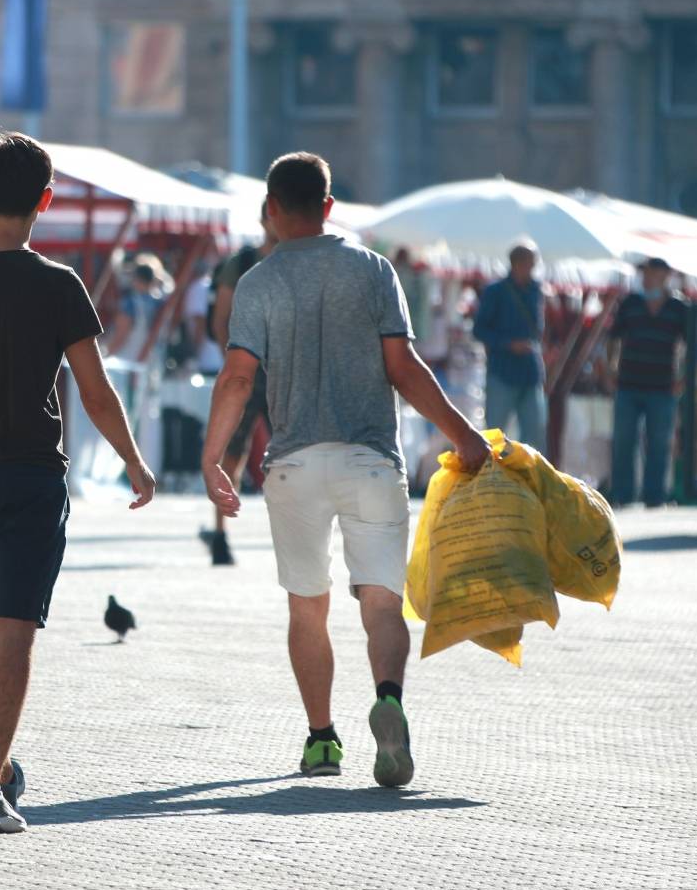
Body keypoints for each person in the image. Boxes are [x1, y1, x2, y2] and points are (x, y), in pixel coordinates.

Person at [202, 152, 490, 788]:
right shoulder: (373, 270)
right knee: (382, 602)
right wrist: (463, 435)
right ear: (329, 207)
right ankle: (388, 699)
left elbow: (239, 376)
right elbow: (405, 368)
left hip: (294, 464)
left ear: (272, 212)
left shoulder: (258, 282)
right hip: (370, 460)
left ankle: (322, 740)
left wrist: (211, 457)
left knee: (307, 608)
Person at [0, 132, 156, 834]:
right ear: (46, 200)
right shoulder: (58, 284)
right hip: (33, 477)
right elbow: (96, 392)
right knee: (16, 629)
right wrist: (134, 462)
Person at [202, 201, 279, 566]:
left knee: (296, 454)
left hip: (286, 373)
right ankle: (220, 533)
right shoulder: (243, 262)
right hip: (248, 368)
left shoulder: (296, 260)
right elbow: (221, 317)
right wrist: (232, 359)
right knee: (231, 452)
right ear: (264, 218)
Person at [607, 257, 688, 507]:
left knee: (659, 444)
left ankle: (655, 497)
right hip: (628, 384)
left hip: (663, 386)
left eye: (652, 273)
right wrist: (610, 369)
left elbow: (691, 344)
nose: (646, 278)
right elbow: (613, 338)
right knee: (623, 441)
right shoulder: (630, 303)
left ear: (664, 276)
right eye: (645, 273)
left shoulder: (678, 308)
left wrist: (683, 379)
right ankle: (623, 494)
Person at [473, 242, 548, 451]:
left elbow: (539, 330)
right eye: (529, 264)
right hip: (501, 373)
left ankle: (528, 481)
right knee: (495, 438)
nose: (532, 269)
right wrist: (507, 344)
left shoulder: (536, 290)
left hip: (530, 373)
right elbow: (479, 330)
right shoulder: (495, 291)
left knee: (534, 437)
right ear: (517, 263)